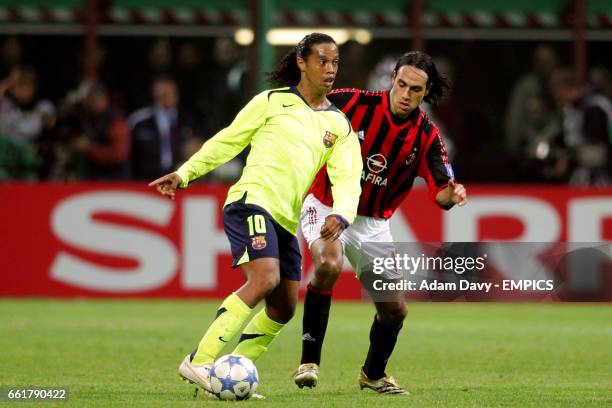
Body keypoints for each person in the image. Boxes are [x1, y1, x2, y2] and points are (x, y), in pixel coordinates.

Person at [148, 33, 362, 398]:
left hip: (285, 218)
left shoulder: (339, 125)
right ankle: (200, 359)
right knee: (264, 279)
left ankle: (226, 373)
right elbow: (229, 140)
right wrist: (185, 173)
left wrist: (342, 214)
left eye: (335, 62)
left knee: (283, 308)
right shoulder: (271, 101)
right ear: (301, 62)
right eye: (322, 61)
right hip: (251, 201)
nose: (330, 70)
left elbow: (347, 177)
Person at [293, 51, 467, 395]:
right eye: (401, 84)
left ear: (425, 92)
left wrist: (453, 193)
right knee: (328, 263)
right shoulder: (350, 103)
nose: (405, 94)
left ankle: (373, 374)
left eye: (415, 90)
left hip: (372, 224)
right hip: (327, 204)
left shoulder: (427, 136)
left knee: (394, 311)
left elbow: (441, 192)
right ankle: (308, 362)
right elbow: (300, 111)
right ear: (392, 80)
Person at [128, 76, 198, 180]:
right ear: (155, 95)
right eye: (164, 94)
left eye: (171, 93)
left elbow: (196, 145)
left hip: (178, 179)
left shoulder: (187, 120)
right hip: (145, 180)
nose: (168, 97)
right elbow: (128, 154)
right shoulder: (139, 121)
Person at [71, 83, 131, 180]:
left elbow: (119, 154)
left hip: (115, 180)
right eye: (90, 100)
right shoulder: (86, 118)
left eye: (96, 99)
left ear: (104, 99)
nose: (92, 104)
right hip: (93, 178)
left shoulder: (116, 120)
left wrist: (90, 148)